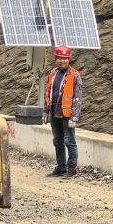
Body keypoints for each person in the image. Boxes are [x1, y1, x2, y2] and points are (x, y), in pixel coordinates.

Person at [43, 45, 83, 178]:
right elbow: (48, 92)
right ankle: (61, 167)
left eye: (64, 58)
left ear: (69, 59)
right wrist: (46, 110)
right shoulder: (53, 73)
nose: (62, 61)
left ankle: (72, 168)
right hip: (55, 112)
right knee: (57, 141)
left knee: (69, 141)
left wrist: (74, 117)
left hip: (67, 114)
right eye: (59, 58)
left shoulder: (75, 75)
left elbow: (78, 97)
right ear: (56, 59)